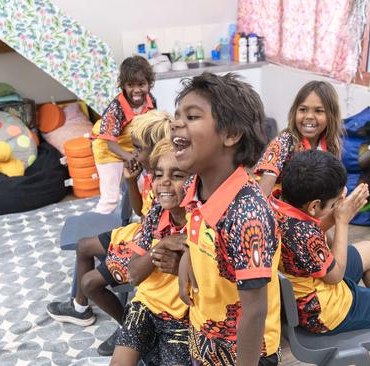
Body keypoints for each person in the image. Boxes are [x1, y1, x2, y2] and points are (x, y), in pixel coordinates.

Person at [270, 150, 370, 366]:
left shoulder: (277, 202)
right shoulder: (305, 235)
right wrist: (342, 221)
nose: (337, 205)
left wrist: (335, 212)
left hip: (306, 287)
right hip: (321, 310)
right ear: (314, 206)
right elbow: (335, 276)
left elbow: (310, 227)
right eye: (334, 202)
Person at [171, 72, 281, 365]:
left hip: (245, 353)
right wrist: (187, 257)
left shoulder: (247, 214)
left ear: (231, 135)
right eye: (177, 114)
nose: (176, 123)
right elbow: (199, 228)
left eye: (192, 116)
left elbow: (255, 311)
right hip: (205, 337)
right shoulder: (194, 187)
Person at [46, 111, 171, 356]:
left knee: (90, 282)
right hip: (139, 233)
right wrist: (132, 181)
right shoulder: (149, 175)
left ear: (157, 149)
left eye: (138, 148)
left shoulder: (166, 180)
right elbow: (141, 212)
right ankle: (80, 309)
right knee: (84, 246)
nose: (133, 154)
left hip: (147, 246)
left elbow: (157, 230)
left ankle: (131, 329)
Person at [110, 139, 191, 366]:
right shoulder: (155, 214)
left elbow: (211, 284)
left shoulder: (201, 223)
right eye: (157, 175)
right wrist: (161, 246)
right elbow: (133, 274)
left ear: (194, 180)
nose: (164, 182)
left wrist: (181, 266)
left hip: (184, 318)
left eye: (177, 176)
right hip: (146, 306)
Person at [254, 80, 344, 198]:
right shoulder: (284, 143)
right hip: (278, 210)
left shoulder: (331, 146)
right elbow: (261, 195)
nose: (309, 116)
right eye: (303, 109)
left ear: (331, 116)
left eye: (318, 111)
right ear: (294, 111)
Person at [92, 56, 157, 214]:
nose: (136, 90)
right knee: (111, 198)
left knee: (144, 189)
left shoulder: (151, 101)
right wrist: (130, 158)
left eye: (141, 84)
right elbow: (110, 143)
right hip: (108, 150)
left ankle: (142, 221)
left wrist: (143, 154)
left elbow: (151, 128)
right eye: (130, 85)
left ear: (149, 83)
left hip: (133, 148)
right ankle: (100, 227)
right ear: (123, 85)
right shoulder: (116, 108)